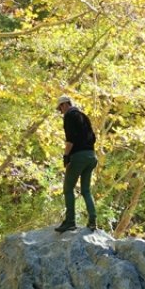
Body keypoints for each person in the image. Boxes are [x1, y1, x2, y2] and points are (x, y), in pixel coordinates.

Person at [55, 95, 97, 232]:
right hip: (91, 156)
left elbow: (70, 139)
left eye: (60, 108)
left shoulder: (69, 116)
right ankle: (92, 221)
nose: (61, 112)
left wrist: (66, 156)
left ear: (64, 105)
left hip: (78, 156)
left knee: (68, 189)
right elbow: (93, 137)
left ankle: (70, 221)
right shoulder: (83, 116)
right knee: (85, 190)